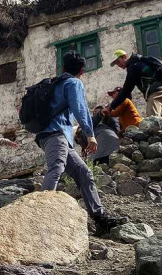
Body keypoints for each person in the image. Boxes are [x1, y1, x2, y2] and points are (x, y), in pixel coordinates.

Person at [35, 52, 128, 235]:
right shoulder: (73, 83)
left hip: (56, 136)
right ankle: (41, 215)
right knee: (56, 168)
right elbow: (80, 108)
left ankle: (100, 218)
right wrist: (90, 134)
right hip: (56, 134)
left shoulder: (56, 83)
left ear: (63, 68)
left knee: (84, 173)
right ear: (82, 71)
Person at [106, 50, 162, 117]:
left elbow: (126, 90)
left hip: (156, 95)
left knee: (152, 123)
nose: (119, 65)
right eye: (116, 64)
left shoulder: (133, 66)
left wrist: (110, 107)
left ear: (125, 57)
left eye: (118, 61)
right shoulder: (141, 62)